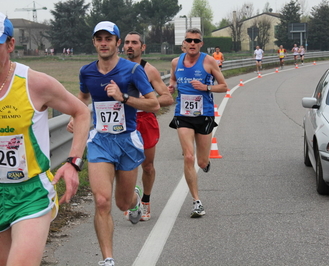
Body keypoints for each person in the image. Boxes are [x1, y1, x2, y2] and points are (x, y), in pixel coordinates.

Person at [0, 13, 91, 266]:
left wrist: (74, 163)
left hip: (29, 193)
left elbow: (81, 112)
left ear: (10, 45)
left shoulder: (34, 83)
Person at [69, 21, 160, 266]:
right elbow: (83, 96)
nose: (104, 43)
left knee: (122, 202)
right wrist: (75, 116)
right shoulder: (86, 71)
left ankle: (135, 200)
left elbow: (154, 104)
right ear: (94, 43)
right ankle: (108, 259)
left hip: (127, 141)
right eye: (99, 39)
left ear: (117, 43)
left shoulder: (132, 71)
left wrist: (124, 97)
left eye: (108, 38)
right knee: (101, 201)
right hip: (100, 141)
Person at [168, 28, 228, 218]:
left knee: (201, 162)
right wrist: (171, 87)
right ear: (184, 43)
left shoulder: (208, 61)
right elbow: (173, 80)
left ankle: (206, 161)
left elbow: (224, 86)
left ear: (201, 43)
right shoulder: (176, 62)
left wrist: (206, 87)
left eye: (196, 40)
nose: (192, 43)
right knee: (188, 157)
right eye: (189, 40)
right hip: (183, 114)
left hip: (204, 114)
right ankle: (196, 202)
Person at [123, 31, 173, 221]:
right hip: (125, 122)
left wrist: (145, 100)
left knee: (148, 166)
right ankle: (131, 197)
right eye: (127, 42)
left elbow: (167, 97)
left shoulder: (149, 70)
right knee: (126, 166)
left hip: (145, 121)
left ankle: (145, 200)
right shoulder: (117, 68)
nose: (130, 46)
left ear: (142, 47)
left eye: (134, 42)